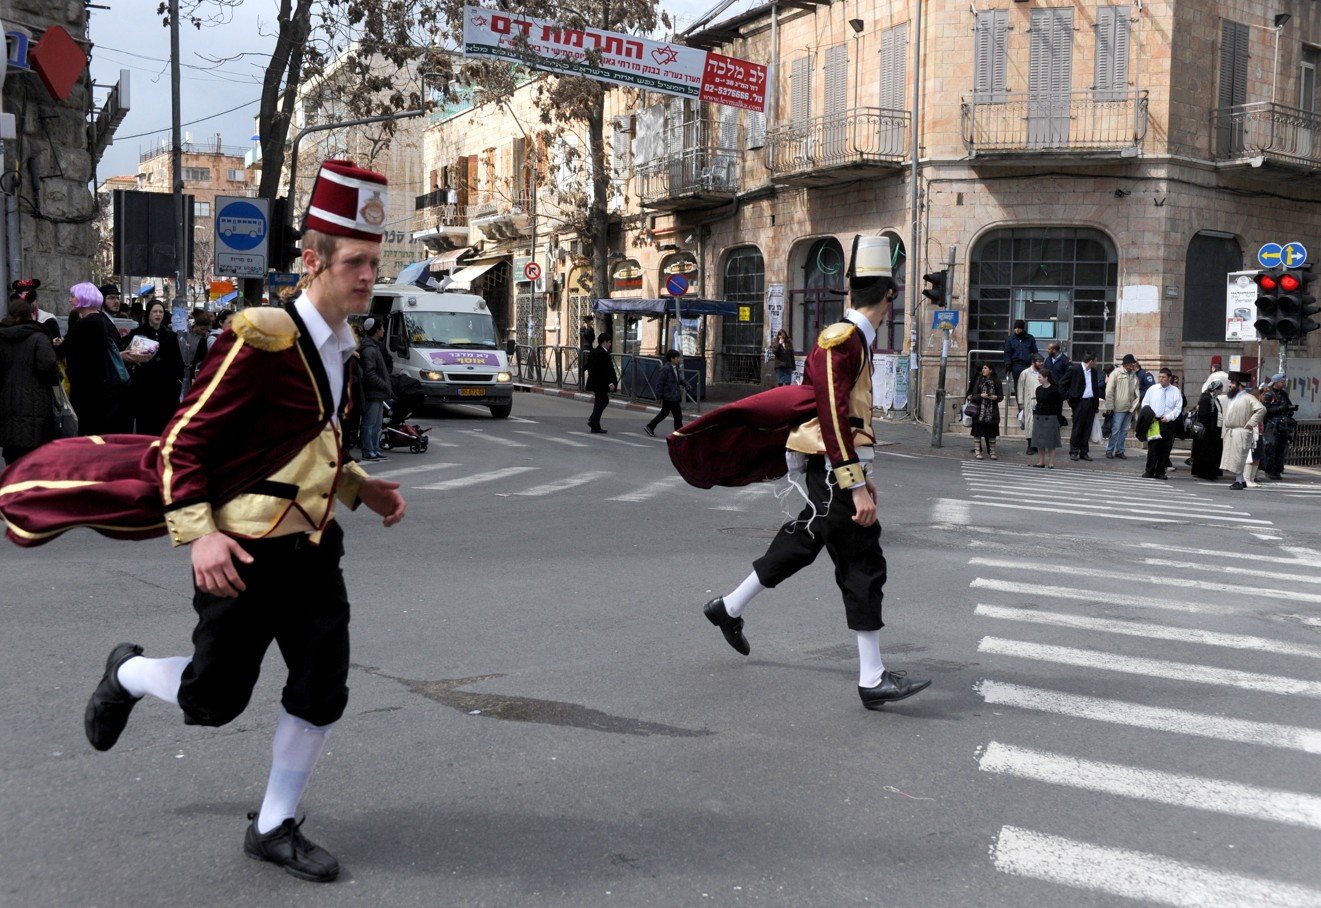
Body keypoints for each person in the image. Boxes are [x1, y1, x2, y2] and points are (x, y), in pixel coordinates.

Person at [0, 158, 408, 883]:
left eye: (374, 263)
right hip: (244, 553)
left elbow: (303, 447)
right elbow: (184, 441)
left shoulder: (346, 349)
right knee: (212, 701)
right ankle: (128, 673)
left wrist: (358, 486)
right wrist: (202, 533)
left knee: (323, 687)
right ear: (313, 261)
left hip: (314, 552)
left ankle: (274, 824)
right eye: (355, 261)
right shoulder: (262, 337)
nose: (368, 276)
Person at [692, 235, 930, 710]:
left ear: (851, 292)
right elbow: (833, 419)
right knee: (860, 561)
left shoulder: (852, 340)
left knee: (807, 544)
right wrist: (854, 483)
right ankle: (871, 678)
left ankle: (728, 608)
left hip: (833, 467)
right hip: (832, 469)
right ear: (890, 296)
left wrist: (862, 472)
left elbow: (845, 421)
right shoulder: (841, 341)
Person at [62, 282, 140, 436]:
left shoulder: (87, 324)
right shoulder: (99, 321)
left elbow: (79, 356)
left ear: (83, 298)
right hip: (102, 395)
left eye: (73, 296)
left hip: (90, 396)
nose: (70, 300)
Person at [0, 296, 59, 464]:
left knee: (12, 455)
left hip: (7, 401)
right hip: (36, 402)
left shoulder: (2, 337)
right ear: (31, 314)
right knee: (34, 456)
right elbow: (49, 365)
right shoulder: (39, 337)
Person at [126, 299, 187, 436]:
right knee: (146, 427)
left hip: (167, 391)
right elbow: (131, 358)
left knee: (165, 428)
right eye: (155, 311)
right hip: (145, 390)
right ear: (148, 313)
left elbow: (178, 362)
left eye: (161, 312)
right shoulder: (137, 333)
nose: (158, 314)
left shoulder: (170, 336)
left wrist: (177, 383)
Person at [1220, 371, 1266, 490]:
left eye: (1232, 382)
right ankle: (1240, 480)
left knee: (1239, 458)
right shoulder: (1232, 397)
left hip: (1241, 431)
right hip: (1232, 431)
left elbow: (1261, 409)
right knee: (1235, 458)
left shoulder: (1248, 397)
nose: (1230, 385)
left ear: (1239, 384)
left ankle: (1239, 481)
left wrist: (1251, 423)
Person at [358, 316, 392, 461]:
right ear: (377, 331)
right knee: (369, 423)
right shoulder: (369, 349)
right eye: (382, 328)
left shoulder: (375, 346)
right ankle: (368, 450)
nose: (383, 330)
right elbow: (369, 373)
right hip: (373, 393)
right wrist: (384, 384)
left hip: (378, 393)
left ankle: (374, 449)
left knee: (377, 424)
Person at [1140, 367, 1183, 480]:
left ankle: (1160, 472)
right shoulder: (1152, 389)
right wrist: (1150, 415)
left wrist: (1169, 417)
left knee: (1165, 448)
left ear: (1169, 378)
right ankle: (1149, 470)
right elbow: (1145, 403)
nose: (1161, 379)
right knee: (1153, 447)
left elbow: (1178, 408)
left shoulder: (1175, 391)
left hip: (1168, 423)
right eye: (1159, 376)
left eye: (1163, 377)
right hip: (1154, 422)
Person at [1062, 351, 1103, 461]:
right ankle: (1074, 451)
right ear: (1091, 361)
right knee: (1078, 428)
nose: (1096, 363)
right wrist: (1069, 397)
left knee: (1087, 428)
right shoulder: (1075, 369)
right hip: (1079, 402)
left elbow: (1095, 388)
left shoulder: (1093, 372)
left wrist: (1096, 405)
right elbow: (1062, 383)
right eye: (1095, 361)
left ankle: (1084, 452)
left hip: (1091, 402)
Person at [1103, 354, 1141, 460]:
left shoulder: (1133, 375)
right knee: (1115, 430)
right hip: (1118, 408)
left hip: (1130, 408)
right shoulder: (1116, 373)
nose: (1133, 366)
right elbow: (1109, 391)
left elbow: (1136, 391)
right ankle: (1109, 450)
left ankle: (1120, 450)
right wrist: (1110, 407)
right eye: (1132, 364)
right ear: (1126, 364)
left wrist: (1134, 405)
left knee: (1124, 431)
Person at [1260, 373, 1295, 481]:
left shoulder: (1284, 394)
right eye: (1282, 382)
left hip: (1282, 426)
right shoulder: (1268, 393)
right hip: (1271, 426)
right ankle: (1269, 471)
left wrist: (1291, 409)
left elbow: (1288, 405)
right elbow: (1265, 410)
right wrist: (1279, 408)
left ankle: (1278, 471)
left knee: (1281, 448)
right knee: (1270, 448)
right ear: (1276, 382)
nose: (1284, 384)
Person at [965, 363, 1002, 460]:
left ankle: (992, 452)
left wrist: (996, 397)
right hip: (979, 411)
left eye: (985, 368)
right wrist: (981, 395)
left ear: (991, 370)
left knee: (992, 433)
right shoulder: (979, 381)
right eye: (983, 368)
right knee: (977, 432)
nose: (983, 370)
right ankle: (977, 451)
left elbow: (1001, 396)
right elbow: (973, 395)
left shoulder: (997, 382)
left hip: (992, 411)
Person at [644, 349, 685, 437]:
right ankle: (679, 433)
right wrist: (659, 396)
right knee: (677, 415)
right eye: (677, 358)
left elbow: (679, 379)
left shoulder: (675, 368)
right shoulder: (666, 369)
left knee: (665, 413)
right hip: (669, 396)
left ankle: (650, 426)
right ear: (672, 359)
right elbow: (660, 383)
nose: (678, 359)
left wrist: (686, 384)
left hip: (674, 396)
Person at [1190, 379, 1225, 481]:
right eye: (1221, 388)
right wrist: (1209, 428)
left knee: (1212, 452)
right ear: (1216, 389)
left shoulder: (1215, 399)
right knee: (1206, 453)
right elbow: (1203, 415)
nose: (1222, 390)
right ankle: (1205, 473)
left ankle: (1211, 471)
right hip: (1207, 432)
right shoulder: (1206, 398)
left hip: (1214, 430)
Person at [1031, 368, 1064, 469]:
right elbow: (1038, 402)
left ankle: (1051, 462)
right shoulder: (1038, 389)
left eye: (1040, 377)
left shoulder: (1054, 390)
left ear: (1046, 378)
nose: (1038, 378)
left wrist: (1058, 417)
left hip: (1051, 417)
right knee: (1039, 441)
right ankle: (1041, 461)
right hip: (1039, 416)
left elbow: (1059, 405)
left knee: (1051, 441)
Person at [585, 330, 617, 433]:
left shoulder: (593, 351)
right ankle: (593, 420)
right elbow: (604, 370)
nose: (610, 344)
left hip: (595, 381)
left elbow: (588, 365)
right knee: (603, 401)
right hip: (601, 382)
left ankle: (595, 426)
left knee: (599, 402)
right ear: (604, 342)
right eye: (609, 342)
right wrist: (610, 382)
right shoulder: (603, 353)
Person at [1016, 355, 1044, 455]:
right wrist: (1021, 403)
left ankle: (1037, 445)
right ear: (1033, 362)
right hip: (1029, 402)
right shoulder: (1025, 373)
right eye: (1039, 361)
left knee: (1039, 424)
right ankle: (1030, 445)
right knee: (1030, 423)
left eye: (1042, 361)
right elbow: (1020, 388)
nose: (1041, 363)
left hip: (1041, 402)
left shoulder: (1043, 373)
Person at [1003, 320, 1038, 391]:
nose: (1017, 330)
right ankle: (1018, 398)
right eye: (1015, 328)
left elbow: (1035, 351)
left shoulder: (1030, 338)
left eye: (1019, 328)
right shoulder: (1010, 339)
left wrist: (1034, 362)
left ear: (1022, 328)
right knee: (1017, 385)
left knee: (1028, 384)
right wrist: (1008, 363)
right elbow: (1007, 352)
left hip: (1027, 365)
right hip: (1016, 365)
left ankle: (1027, 398)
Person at [578, 316, 595, 390]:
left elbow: (592, 338)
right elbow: (585, 336)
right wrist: (587, 329)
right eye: (591, 321)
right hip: (584, 350)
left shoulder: (591, 329)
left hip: (589, 350)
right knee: (583, 368)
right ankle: (581, 384)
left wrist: (589, 329)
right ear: (587, 322)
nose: (592, 322)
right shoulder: (583, 329)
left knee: (591, 369)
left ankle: (589, 386)